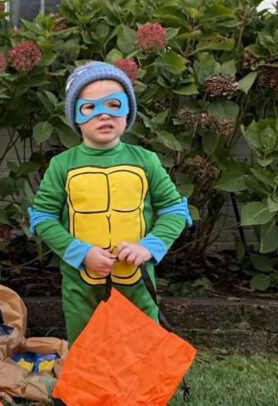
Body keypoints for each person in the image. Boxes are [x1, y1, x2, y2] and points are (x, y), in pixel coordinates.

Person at [27, 61, 190, 344]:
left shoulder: (146, 161)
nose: (104, 114)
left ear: (128, 112)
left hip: (136, 283)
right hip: (82, 287)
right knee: (86, 348)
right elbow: (42, 218)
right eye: (90, 107)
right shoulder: (62, 165)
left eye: (114, 105)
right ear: (75, 117)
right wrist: (80, 253)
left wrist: (149, 247)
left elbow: (174, 210)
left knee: (142, 346)